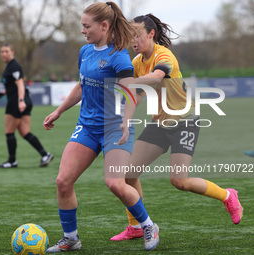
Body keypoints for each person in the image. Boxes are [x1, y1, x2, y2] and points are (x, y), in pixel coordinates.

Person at [110, 14, 243, 242]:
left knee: (179, 181)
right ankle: (136, 226)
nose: (133, 40)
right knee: (128, 174)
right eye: (130, 36)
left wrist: (129, 82)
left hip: (185, 121)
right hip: (160, 124)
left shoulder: (165, 56)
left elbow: (156, 77)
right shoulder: (137, 63)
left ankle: (228, 195)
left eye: (137, 35)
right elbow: (136, 96)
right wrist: (126, 120)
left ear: (151, 34)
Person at [43, 2, 159, 252]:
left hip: (115, 128)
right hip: (87, 127)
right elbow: (82, 85)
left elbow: (130, 91)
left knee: (115, 183)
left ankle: (148, 225)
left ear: (104, 26)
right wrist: (59, 111)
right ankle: (71, 238)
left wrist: (126, 121)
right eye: (82, 25)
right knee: (63, 181)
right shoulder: (84, 52)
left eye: (87, 26)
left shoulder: (119, 56)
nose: (83, 30)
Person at [0, 43, 54, 168]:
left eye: (6, 51)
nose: (3, 54)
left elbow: (20, 84)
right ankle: (45, 154)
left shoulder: (14, 66)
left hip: (16, 101)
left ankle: (12, 161)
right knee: (25, 132)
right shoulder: (10, 66)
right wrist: (0, 94)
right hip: (24, 99)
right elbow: (12, 86)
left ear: (12, 52)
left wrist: (20, 101)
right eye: (2, 51)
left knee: (9, 131)